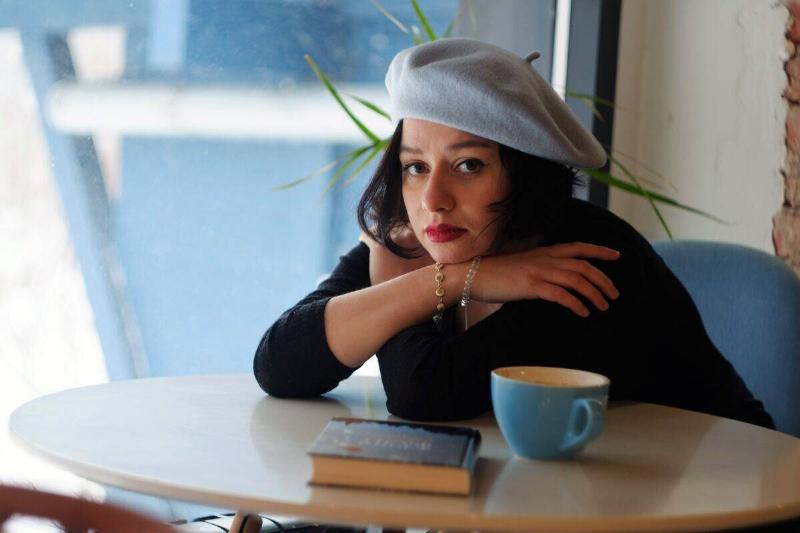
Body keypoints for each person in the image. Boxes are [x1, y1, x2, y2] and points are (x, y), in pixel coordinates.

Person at [253, 38, 773, 429]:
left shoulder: (585, 261)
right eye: (415, 167)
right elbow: (280, 365)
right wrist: (450, 280)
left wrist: (404, 280)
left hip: (725, 505)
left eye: (468, 164)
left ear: (524, 174)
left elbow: (426, 395)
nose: (432, 197)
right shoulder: (423, 240)